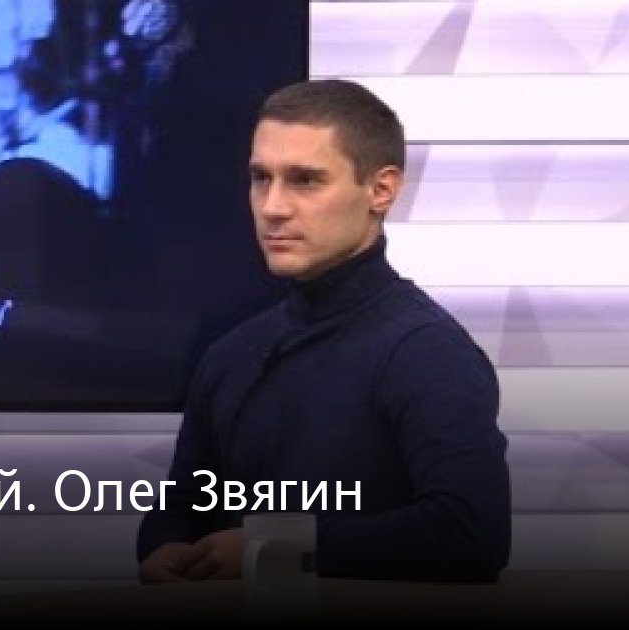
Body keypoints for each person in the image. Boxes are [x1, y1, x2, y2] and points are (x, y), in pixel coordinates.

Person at [135, 79, 511, 584]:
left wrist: (273, 549)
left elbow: (472, 533)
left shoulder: (427, 351)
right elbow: (179, 510)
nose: (273, 207)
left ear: (381, 190)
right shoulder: (231, 352)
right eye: (260, 178)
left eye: (305, 180)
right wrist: (165, 550)